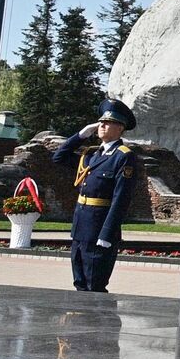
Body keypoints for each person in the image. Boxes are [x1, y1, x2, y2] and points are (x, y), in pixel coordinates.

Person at [50, 98, 143, 292]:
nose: (102, 125)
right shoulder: (91, 155)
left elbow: (121, 199)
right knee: (80, 284)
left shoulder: (124, 156)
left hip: (99, 230)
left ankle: (99, 322)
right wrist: (80, 135)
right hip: (80, 228)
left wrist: (107, 233)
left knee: (95, 285)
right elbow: (59, 157)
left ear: (120, 128)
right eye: (100, 122)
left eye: (108, 122)